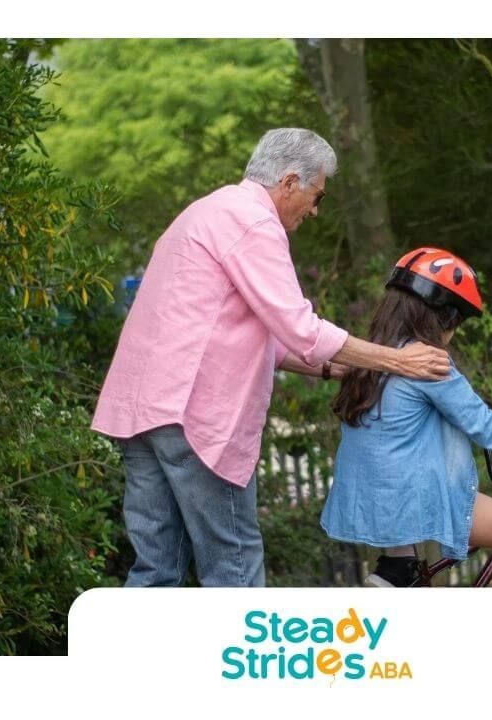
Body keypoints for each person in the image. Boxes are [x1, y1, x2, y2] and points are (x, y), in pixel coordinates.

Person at [91, 128, 452, 587]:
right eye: (316, 195)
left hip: (143, 412)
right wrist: (402, 362)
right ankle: (241, 663)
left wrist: (328, 365)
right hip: (192, 418)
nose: (315, 210)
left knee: (156, 570)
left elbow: (249, 332)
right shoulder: (254, 223)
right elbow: (301, 326)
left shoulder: (204, 212)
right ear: (288, 182)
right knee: (234, 569)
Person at [321, 247, 492, 588]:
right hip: (410, 500)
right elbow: (490, 431)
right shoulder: (428, 362)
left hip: (371, 499)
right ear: (445, 317)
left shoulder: (374, 357)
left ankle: (397, 573)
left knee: (434, 551)